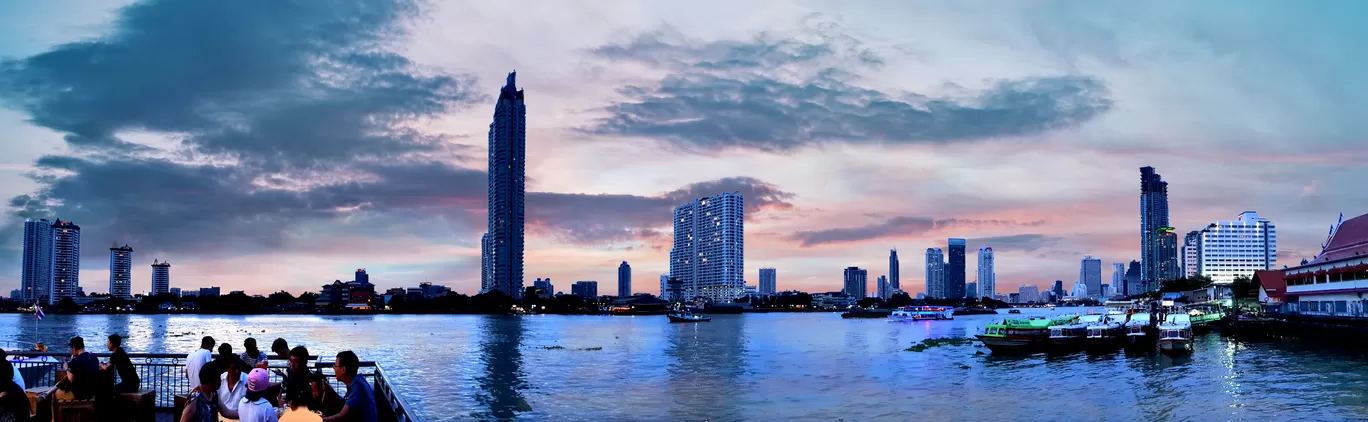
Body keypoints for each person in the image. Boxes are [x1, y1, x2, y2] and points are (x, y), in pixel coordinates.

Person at [321, 351, 375, 422]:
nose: (334, 369)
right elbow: (347, 403)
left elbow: (341, 416)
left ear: (343, 369)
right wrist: (331, 391)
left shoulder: (357, 387)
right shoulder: (357, 382)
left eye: (335, 366)